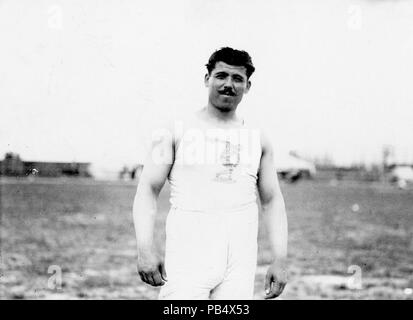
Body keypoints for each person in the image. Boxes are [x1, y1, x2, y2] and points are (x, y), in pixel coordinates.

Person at [133, 47, 288, 300]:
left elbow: (272, 201)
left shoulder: (258, 139)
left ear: (248, 86)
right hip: (188, 253)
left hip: (240, 257)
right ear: (207, 79)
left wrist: (280, 259)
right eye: (221, 76)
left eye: (237, 79)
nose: (229, 84)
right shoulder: (175, 131)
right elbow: (147, 191)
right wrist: (144, 248)